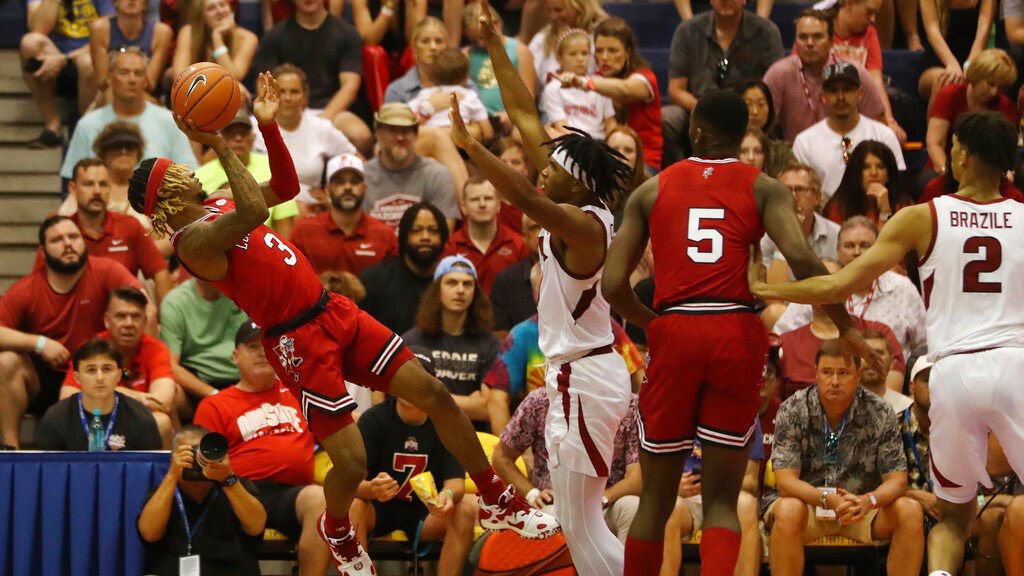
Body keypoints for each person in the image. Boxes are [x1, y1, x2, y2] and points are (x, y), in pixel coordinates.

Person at [130, 72, 558, 575]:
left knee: (436, 395)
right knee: (351, 463)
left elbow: (286, 188)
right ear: (167, 197)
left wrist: (268, 128)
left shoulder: (220, 200)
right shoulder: (193, 243)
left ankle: (493, 497)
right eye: (175, 172)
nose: (187, 170)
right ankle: (336, 526)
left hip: (333, 310)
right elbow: (251, 208)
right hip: (297, 340)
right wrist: (219, 139)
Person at [602, 88, 874, 575]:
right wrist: (846, 325)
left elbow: (613, 284)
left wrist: (654, 325)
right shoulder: (763, 186)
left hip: (677, 325)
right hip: (733, 328)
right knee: (725, 500)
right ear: (743, 135)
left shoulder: (651, 189)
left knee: (655, 500)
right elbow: (806, 261)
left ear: (696, 131)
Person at [749, 110, 1024, 576]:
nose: (952, 151)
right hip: (1016, 366)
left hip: (954, 373)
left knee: (954, 517)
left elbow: (839, 287)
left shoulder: (922, 216)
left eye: (955, 144)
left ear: (966, 153)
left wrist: (766, 290)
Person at [451, 3, 633, 572]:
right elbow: (528, 116)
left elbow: (524, 198)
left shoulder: (585, 225)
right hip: (575, 372)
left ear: (577, 184)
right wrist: (499, 44)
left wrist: (472, 149)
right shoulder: (573, 200)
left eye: (552, 170)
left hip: (588, 374)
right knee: (581, 524)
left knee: (581, 524)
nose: (541, 170)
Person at [764, 339, 924, 575]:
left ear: (858, 375)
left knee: (909, 510)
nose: (834, 381)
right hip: (808, 508)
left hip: (860, 508)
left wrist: (868, 501)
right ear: (816, 373)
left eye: (843, 373)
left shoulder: (880, 411)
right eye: (827, 372)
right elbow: (786, 483)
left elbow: (897, 481)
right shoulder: (793, 408)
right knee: (788, 510)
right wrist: (826, 499)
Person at [193, 321, 330, 576]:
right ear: (235, 356)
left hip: (292, 494)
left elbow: (337, 435)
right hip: (239, 491)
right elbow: (205, 463)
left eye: (269, 346)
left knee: (321, 500)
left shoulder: (300, 396)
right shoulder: (215, 405)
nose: (262, 352)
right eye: (253, 346)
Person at [0, 216, 141, 449]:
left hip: (97, 371)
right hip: (45, 378)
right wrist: (39, 343)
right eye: (58, 239)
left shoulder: (107, 270)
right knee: (5, 362)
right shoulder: (27, 290)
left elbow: (142, 305)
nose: (68, 244)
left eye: (73, 237)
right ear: (43, 252)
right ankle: (10, 451)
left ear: (83, 242)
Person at [349, 346, 479, 575]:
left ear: (431, 385)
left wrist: (445, 497)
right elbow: (351, 485)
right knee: (353, 505)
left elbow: (455, 482)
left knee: (465, 508)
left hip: (428, 512)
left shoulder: (446, 421)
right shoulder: (373, 419)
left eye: (418, 379)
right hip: (379, 509)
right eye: (405, 379)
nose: (410, 387)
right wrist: (371, 489)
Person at [493, 387, 642, 542]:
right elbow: (501, 457)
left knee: (632, 507)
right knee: (549, 521)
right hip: (555, 505)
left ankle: (628, 567)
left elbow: (637, 478)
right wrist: (532, 494)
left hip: (607, 503)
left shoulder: (629, 405)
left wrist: (603, 499)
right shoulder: (540, 400)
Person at [772, 216, 928, 362]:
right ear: (838, 251)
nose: (856, 252)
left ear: (879, 250)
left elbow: (923, 345)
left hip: (889, 379)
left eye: (865, 245)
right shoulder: (822, 287)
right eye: (849, 246)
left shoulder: (902, 288)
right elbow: (782, 335)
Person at [661, 0, 784, 165]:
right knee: (668, 117)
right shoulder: (687, 30)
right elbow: (675, 91)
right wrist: (707, 110)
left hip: (747, 109)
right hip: (698, 109)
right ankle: (681, 173)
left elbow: (775, 88)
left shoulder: (767, 32)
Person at [137, 425, 267, 575]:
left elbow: (256, 526)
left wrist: (227, 478)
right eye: (189, 453)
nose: (197, 460)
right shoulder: (165, 491)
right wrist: (172, 475)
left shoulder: (235, 485)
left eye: (202, 452)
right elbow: (149, 533)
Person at [59, 286, 176, 445]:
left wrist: (105, 393)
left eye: (135, 316)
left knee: (162, 421)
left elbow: (164, 402)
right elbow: (67, 398)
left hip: (136, 422)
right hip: (96, 419)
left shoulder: (156, 349)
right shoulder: (90, 349)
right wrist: (135, 396)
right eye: (121, 316)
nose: (129, 323)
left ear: (145, 321)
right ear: (107, 321)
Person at [45, 158, 173, 303]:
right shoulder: (59, 232)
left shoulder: (130, 226)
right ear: (72, 188)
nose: (97, 191)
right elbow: (41, 283)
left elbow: (161, 273)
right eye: (89, 184)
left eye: (103, 184)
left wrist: (165, 321)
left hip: (123, 319)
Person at [61, 47, 197, 181]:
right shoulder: (87, 125)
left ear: (145, 80)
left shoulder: (169, 122)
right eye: (124, 72)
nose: (132, 79)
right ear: (110, 78)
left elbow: (188, 174)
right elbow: (73, 183)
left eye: (138, 73)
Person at [253, 0, 372, 153]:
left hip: (332, 111)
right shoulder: (274, 36)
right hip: (287, 109)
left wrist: (321, 122)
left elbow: (350, 86)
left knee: (361, 137)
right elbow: (263, 83)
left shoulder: (348, 34)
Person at [403, 256, 506, 432]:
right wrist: (469, 402)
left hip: (473, 437)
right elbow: (406, 402)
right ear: (437, 289)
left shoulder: (491, 345)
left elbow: (487, 409)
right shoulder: (413, 341)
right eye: (452, 283)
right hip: (422, 436)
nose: (460, 290)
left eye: (467, 284)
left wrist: (429, 398)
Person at [763, 9, 886, 143]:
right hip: (795, 158)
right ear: (795, 42)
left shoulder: (854, 72)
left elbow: (878, 123)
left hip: (848, 154)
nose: (809, 43)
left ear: (831, 42)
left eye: (817, 37)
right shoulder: (779, 74)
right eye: (803, 37)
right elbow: (760, 125)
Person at [251, 64, 358, 217]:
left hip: (311, 214)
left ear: (305, 96)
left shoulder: (321, 128)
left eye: (294, 92)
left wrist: (332, 194)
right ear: (270, 93)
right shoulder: (250, 128)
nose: (287, 98)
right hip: (263, 209)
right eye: (281, 91)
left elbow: (357, 161)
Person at [792, 61, 905, 199]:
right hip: (824, 216)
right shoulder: (804, 142)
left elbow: (897, 187)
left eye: (847, 89)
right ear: (823, 97)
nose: (840, 97)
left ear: (860, 94)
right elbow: (800, 193)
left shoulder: (883, 135)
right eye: (833, 90)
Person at [660, 430, 765, 576]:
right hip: (687, 497)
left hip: (727, 494)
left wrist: (715, 482)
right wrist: (673, 485)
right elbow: (652, 474)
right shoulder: (676, 412)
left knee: (747, 504)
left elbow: (751, 481)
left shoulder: (746, 413)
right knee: (669, 509)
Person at [38, 338, 162, 451]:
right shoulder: (56, 418)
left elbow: (150, 472)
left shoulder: (141, 418)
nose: (100, 377)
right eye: (91, 370)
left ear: (119, 375)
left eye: (107, 369)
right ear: (77, 377)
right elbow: (49, 471)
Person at [196, 106, 299, 238]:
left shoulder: (271, 167)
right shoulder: (200, 176)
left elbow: (284, 228)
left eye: (243, 133)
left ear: (253, 137)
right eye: (231, 133)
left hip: (263, 245)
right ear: (219, 137)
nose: (238, 138)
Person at [19, 0, 110, 147]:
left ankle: (85, 130)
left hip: (90, 56)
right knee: (30, 43)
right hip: (53, 57)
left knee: (87, 62)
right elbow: (37, 28)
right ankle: (52, 127)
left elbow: (110, 32)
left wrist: (65, 59)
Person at [290, 154, 397, 276]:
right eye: (339, 182)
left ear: (365, 188)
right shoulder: (304, 232)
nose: (347, 187)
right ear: (327, 190)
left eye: (354, 181)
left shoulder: (384, 235)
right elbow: (293, 278)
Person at [362, 103, 460, 231]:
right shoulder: (361, 176)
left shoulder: (437, 175)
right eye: (392, 130)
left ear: (416, 134)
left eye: (406, 130)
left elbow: (443, 233)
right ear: (378, 133)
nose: (400, 137)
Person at [924, 48, 1017, 180]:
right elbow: (935, 143)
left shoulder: (1006, 106)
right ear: (976, 76)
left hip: (987, 176)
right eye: (990, 84)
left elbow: (1005, 154)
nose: (994, 92)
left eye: (1001, 87)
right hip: (946, 169)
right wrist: (948, 174)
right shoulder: (950, 95)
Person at [160, 277, 249, 411]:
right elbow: (170, 365)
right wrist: (215, 394)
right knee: (171, 389)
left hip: (245, 377)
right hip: (200, 384)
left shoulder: (242, 292)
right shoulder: (175, 302)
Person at [359, 202, 449, 335]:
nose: (425, 237)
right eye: (417, 230)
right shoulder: (374, 281)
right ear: (404, 237)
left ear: (443, 238)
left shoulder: (454, 281)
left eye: (433, 230)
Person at [830, 0, 907, 142]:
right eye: (869, 12)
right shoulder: (819, 29)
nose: (872, 19)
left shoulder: (870, 33)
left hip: (859, 112)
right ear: (849, 4)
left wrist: (889, 121)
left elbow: (875, 81)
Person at [442, 178, 530, 295]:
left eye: (488, 198)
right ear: (463, 207)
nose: (482, 204)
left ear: (498, 205)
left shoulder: (519, 245)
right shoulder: (451, 247)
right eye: (475, 199)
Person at [463, 2, 536, 131]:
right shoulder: (467, 54)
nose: (480, 44)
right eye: (475, 40)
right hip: (479, 121)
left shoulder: (519, 50)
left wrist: (511, 116)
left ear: (497, 24)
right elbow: (462, 92)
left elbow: (529, 95)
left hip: (514, 120)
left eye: (482, 37)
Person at [540, 27, 616, 140]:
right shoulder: (553, 88)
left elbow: (610, 123)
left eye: (584, 53)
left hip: (599, 142)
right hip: (569, 143)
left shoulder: (599, 85)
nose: (580, 58)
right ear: (559, 58)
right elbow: (560, 126)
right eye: (573, 54)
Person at [916, 0, 995, 102]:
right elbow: (932, 32)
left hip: (974, 59)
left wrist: (969, 65)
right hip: (938, 61)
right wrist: (951, 63)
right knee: (946, 82)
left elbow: (983, 33)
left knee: (985, 87)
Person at [89, 0, 172, 95]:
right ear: (114, 2)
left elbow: (150, 85)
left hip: (145, 97)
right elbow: (102, 82)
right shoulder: (100, 29)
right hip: (110, 94)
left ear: (145, 4)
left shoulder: (162, 32)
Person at [407, 48, 493, 142]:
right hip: (461, 147)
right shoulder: (470, 97)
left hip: (430, 144)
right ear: (466, 77)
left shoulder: (425, 95)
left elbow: (407, 120)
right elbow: (488, 133)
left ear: (433, 76)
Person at [824, 140, 913, 227]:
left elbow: (894, 241)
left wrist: (885, 210)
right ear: (856, 173)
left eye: (880, 167)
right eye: (866, 167)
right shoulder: (838, 209)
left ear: (889, 175)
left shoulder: (904, 208)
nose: (873, 173)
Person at [171, 0, 257, 82]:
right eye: (211, 8)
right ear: (201, 16)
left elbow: (234, 77)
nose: (219, 11)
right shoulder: (188, 32)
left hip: (230, 92)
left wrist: (217, 38)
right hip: (196, 91)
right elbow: (179, 76)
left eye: (223, 5)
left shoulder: (248, 38)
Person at [527, 0, 607, 87]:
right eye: (549, 11)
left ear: (578, 6)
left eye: (558, 10)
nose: (553, 17)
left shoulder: (603, 35)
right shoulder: (541, 39)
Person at [489, 215, 543, 332]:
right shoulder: (506, 281)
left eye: (548, 226)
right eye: (536, 228)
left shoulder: (572, 275)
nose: (543, 233)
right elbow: (500, 333)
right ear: (524, 236)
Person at [736, 80, 795, 178]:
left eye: (761, 104)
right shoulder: (726, 149)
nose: (754, 111)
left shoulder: (781, 152)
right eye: (748, 104)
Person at [859, 329, 913, 412]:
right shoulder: (839, 408)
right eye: (864, 353)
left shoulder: (907, 408)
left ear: (891, 362)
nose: (871, 359)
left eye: (878, 353)